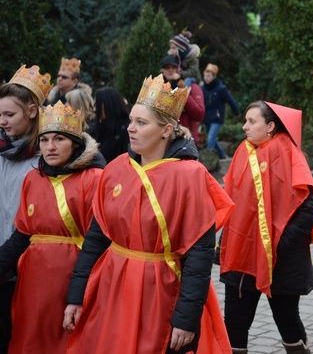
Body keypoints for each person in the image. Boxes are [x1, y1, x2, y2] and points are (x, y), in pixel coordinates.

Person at [63, 74, 234, 353]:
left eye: (141, 123)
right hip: (113, 287)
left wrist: (186, 318)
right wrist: (77, 295)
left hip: (162, 292)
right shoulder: (117, 168)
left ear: (166, 130)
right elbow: (96, 239)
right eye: (131, 120)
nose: (131, 129)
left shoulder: (191, 176)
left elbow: (199, 255)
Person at [218, 101, 313, 354]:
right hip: (243, 256)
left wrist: (275, 245)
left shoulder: (287, 153)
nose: (244, 127)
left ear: (271, 126)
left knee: (287, 321)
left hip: (282, 261)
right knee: (235, 323)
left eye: (252, 122)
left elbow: (308, 211)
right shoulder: (244, 151)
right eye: (246, 121)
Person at [0, 102, 104, 353]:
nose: (50, 147)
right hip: (33, 281)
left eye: (59, 139)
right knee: (29, 338)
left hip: (72, 276)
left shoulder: (94, 179)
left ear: (74, 143)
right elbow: (22, 234)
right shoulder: (33, 179)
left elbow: (98, 240)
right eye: (45, 140)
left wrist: (81, 291)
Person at [0, 64, 51, 353]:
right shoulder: (0, 151)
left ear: (32, 112)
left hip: (27, 264)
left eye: (9, 115)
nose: (2, 121)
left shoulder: (46, 157)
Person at [162, 55, 206, 146]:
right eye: (167, 67)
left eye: (173, 67)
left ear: (179, 69)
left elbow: (200, 114)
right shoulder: (158, 89)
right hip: (165, 142)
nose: (170, 70)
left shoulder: (193, 87)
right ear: (162, 70)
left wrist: (185, 96)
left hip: (187, 141)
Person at [201, 63, 240, 159]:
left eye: (209, 76)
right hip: (206, 118)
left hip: (216, 118)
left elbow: (230, 101)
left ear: (214, 76)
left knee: (210, 138)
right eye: (205, 76)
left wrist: (237, 112)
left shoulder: (221, 89)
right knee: (212, 138)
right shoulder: (202, 88)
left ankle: (209, 159)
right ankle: (223, 156)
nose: (206, 78)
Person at [91, 87, 131, 163]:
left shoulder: (128, 131)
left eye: (98, 105)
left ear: (109, 105)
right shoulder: (100, 129)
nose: (95, 110)